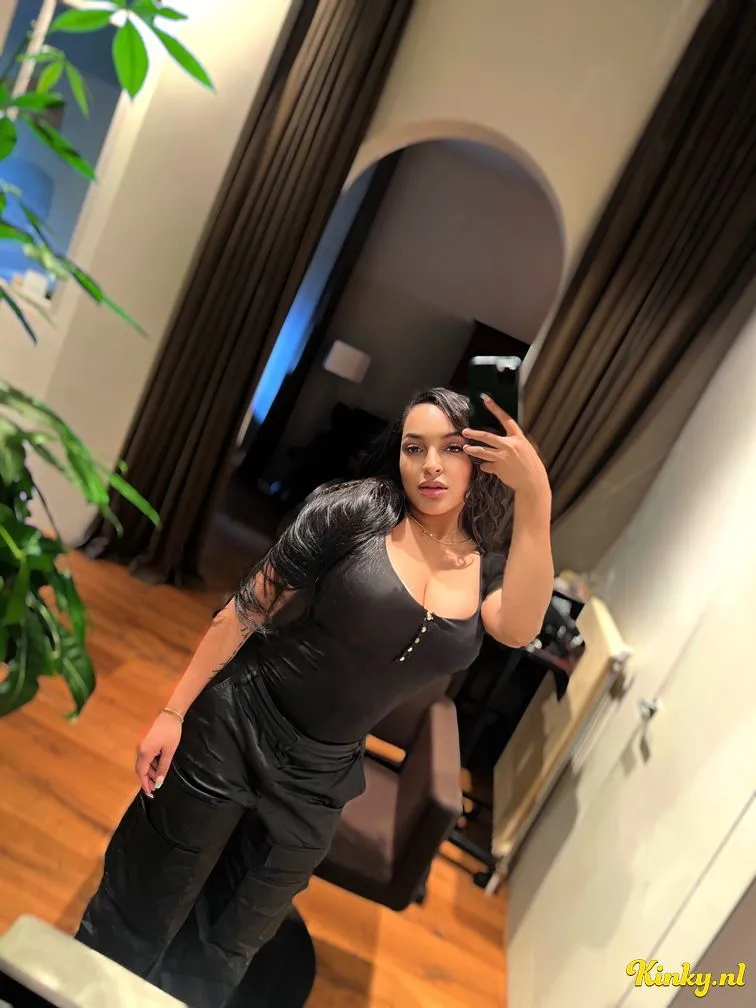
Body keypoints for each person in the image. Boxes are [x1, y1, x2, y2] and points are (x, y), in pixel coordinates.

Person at [75, 387, 554, 1007]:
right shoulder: (354, 512)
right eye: (414, 448)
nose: (430, 465)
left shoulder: (486, 570)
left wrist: (536, 495)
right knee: (139, 907)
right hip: (237, 725)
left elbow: (518, 627)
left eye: (451, 449)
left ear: (479, 460)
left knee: (223, 950)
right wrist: (173, 712)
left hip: (321, 777)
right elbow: (244, 610)